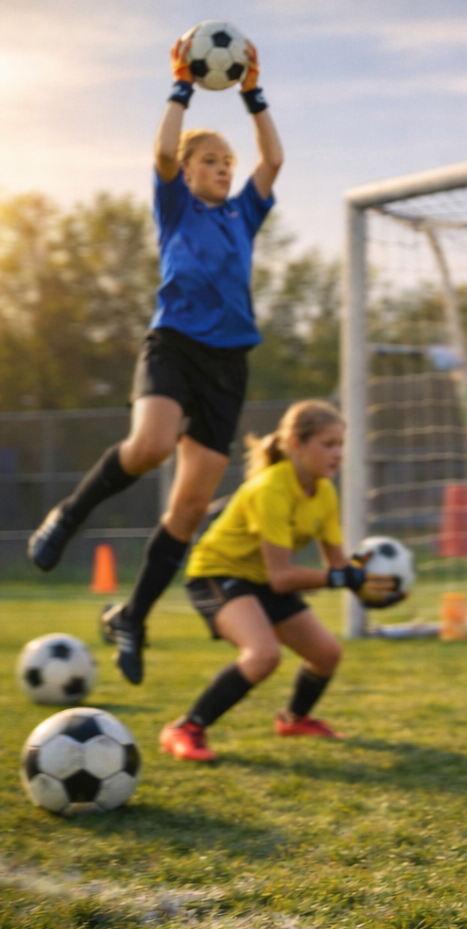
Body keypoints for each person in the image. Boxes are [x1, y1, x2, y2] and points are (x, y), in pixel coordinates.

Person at [27, 34, 283, 686]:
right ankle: (67, 515)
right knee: (150, 445)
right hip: (173, 346)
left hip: (228, 366)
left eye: (229, 161)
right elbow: (163, 150)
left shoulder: (243, 215)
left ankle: (131, 616)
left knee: (192, 508)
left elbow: (273, 158)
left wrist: (253, 95)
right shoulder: (175, 208)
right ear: (190, 170)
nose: (226, 167)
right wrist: (182, 86)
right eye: (213, 160)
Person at [158, 401, 399, 762]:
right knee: (262, 655)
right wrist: (341, 577)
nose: (338, 454)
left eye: (340, 444)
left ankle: (293, 720)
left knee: (327, 654)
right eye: (328, 444)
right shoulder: (271, 488)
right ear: (297, 445)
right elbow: (284, 577)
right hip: (217, 573)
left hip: (263, 582)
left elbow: (337, 567)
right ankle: (186, 728)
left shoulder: (324, 491)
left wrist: (371, 583)